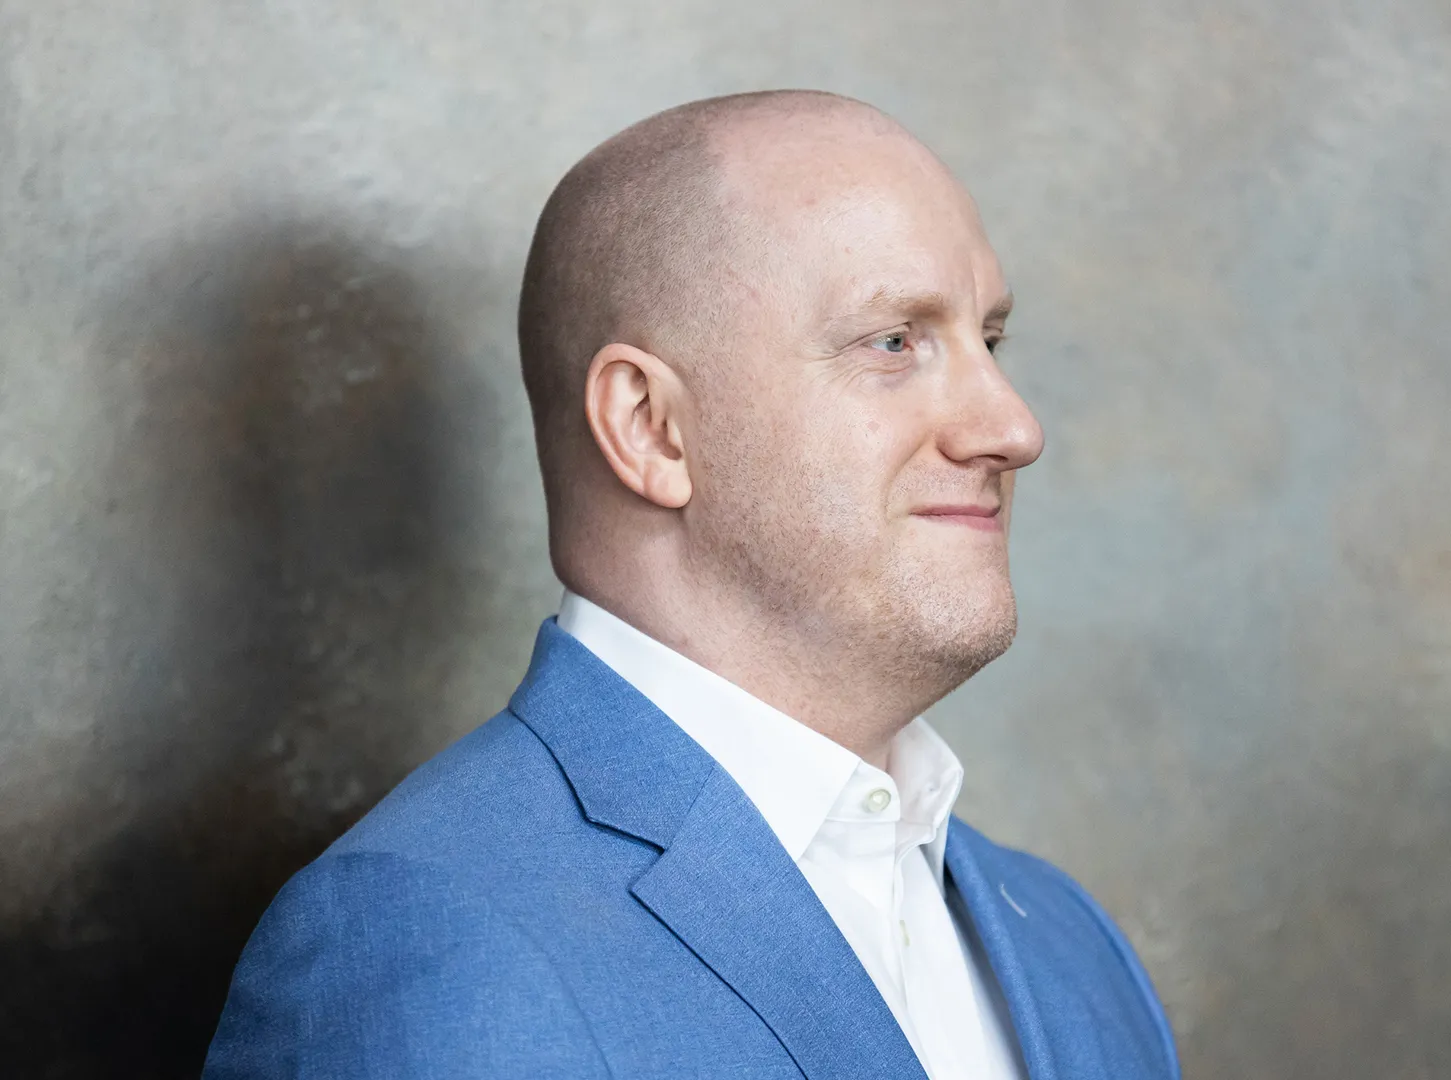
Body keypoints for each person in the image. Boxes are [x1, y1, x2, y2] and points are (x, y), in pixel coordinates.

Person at [202, 90, 1179, 1080]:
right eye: (894, 342)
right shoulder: (430, 946)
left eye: (990, 341)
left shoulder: (1068, 945)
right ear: (650, 429)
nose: (1015, 428)